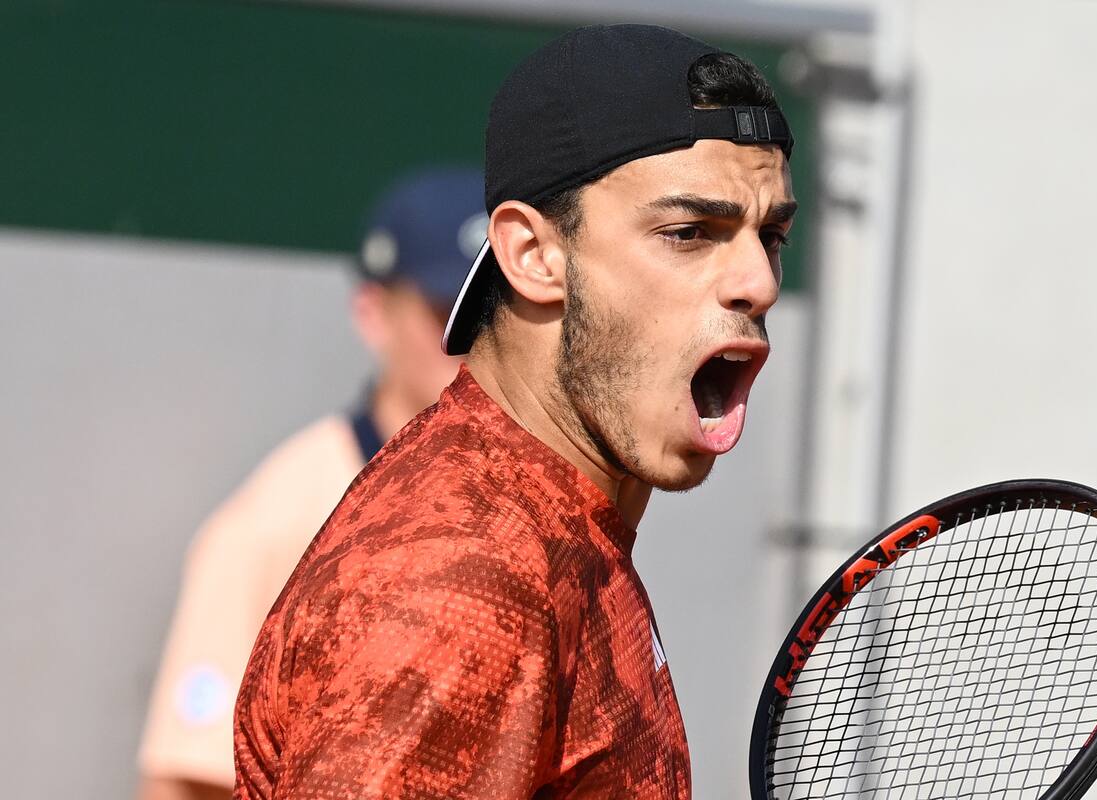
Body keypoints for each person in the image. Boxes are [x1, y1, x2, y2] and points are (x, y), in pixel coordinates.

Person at [234, 24, 797, 800]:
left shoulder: (558, 524)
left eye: (771, 234)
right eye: (688, 232)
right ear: (534, 255)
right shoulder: (460, 583)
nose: (758, 282)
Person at [136, 167, 485, 800]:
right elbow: (189, 781)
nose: (473, 344)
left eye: (494, 314)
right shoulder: (282, 519)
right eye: (446, 313)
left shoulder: (543, 509)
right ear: (373, 313)